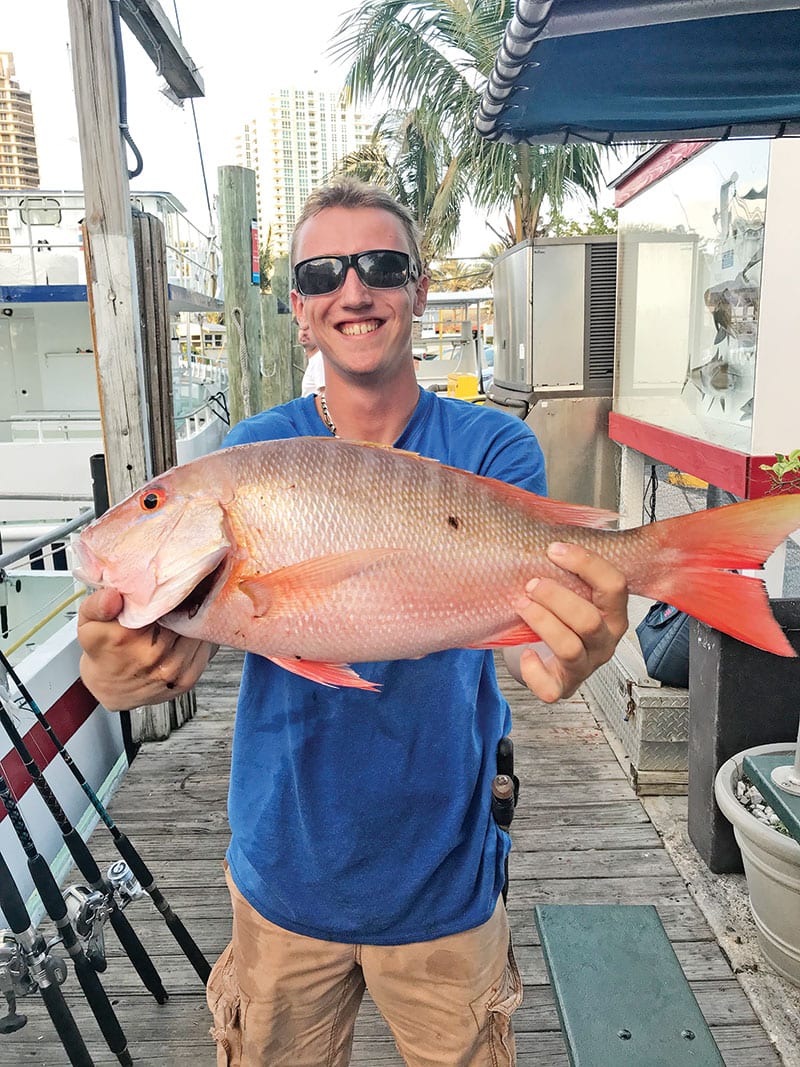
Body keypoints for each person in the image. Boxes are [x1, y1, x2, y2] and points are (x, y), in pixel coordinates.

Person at [77, 178, 629, 1067]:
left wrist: (579, 637)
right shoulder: (252, 451)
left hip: (445, 880)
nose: (354, 289)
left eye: (380, 265)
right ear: (298, 308)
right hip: (283, 876)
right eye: (324, 271)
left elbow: (547, 607)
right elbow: (154, 651)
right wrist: (112, 673)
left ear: (414, 288)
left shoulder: (493, 447)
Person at [298, 321, 326, 397]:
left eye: (308, 328)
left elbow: (326, 396)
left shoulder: (320, 359)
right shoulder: (315, 359)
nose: (303, 333)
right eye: (301, 328)